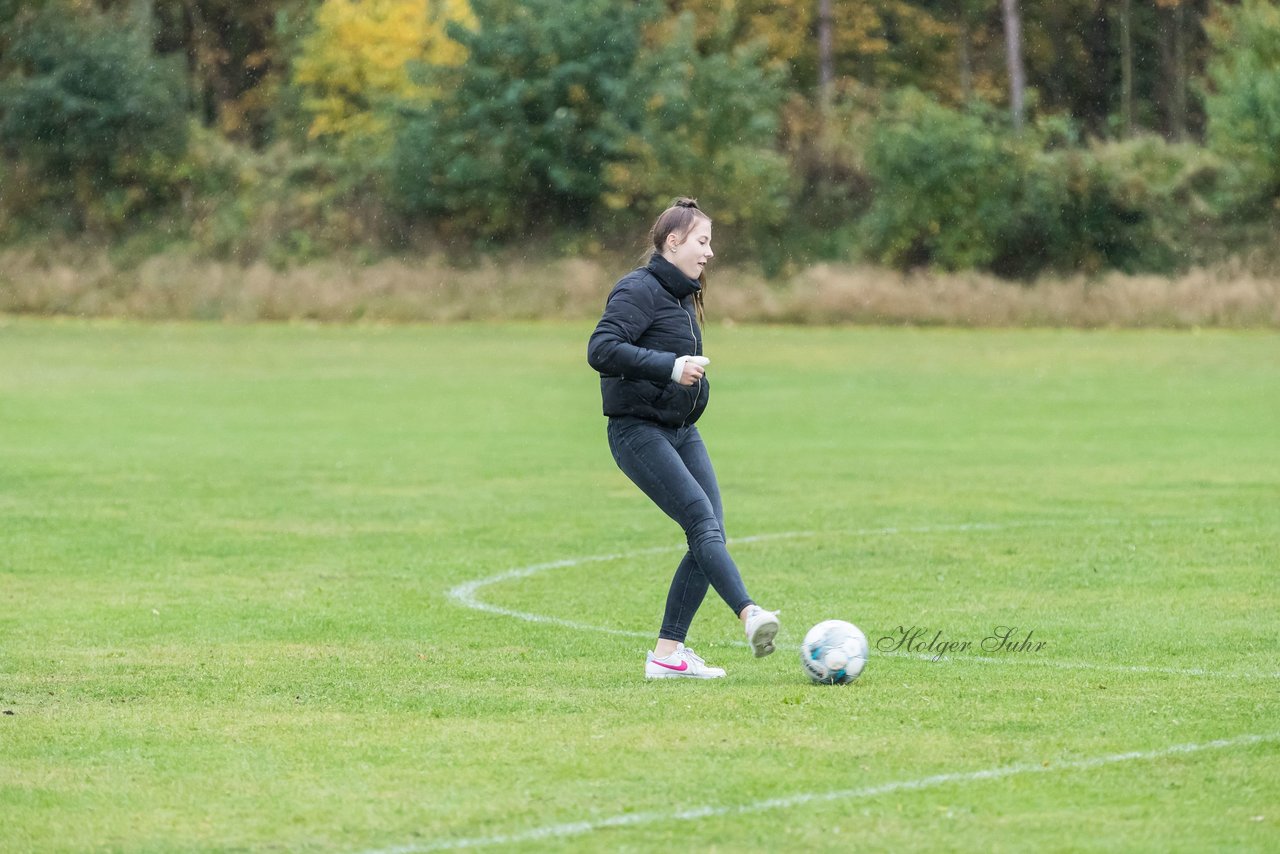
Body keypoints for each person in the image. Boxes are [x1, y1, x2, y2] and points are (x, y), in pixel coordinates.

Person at [587, 197, 779, 680]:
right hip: (638, 432)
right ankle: (749, 613)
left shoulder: (678, 295)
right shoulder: (638, 289)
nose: (709, 252)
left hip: (682, 433)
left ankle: (668, 654)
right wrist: (670, 367)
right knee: (701, 521)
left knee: (709, 530)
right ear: (671, 242)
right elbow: (602, 348)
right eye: (701, 241)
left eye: (710, 242)